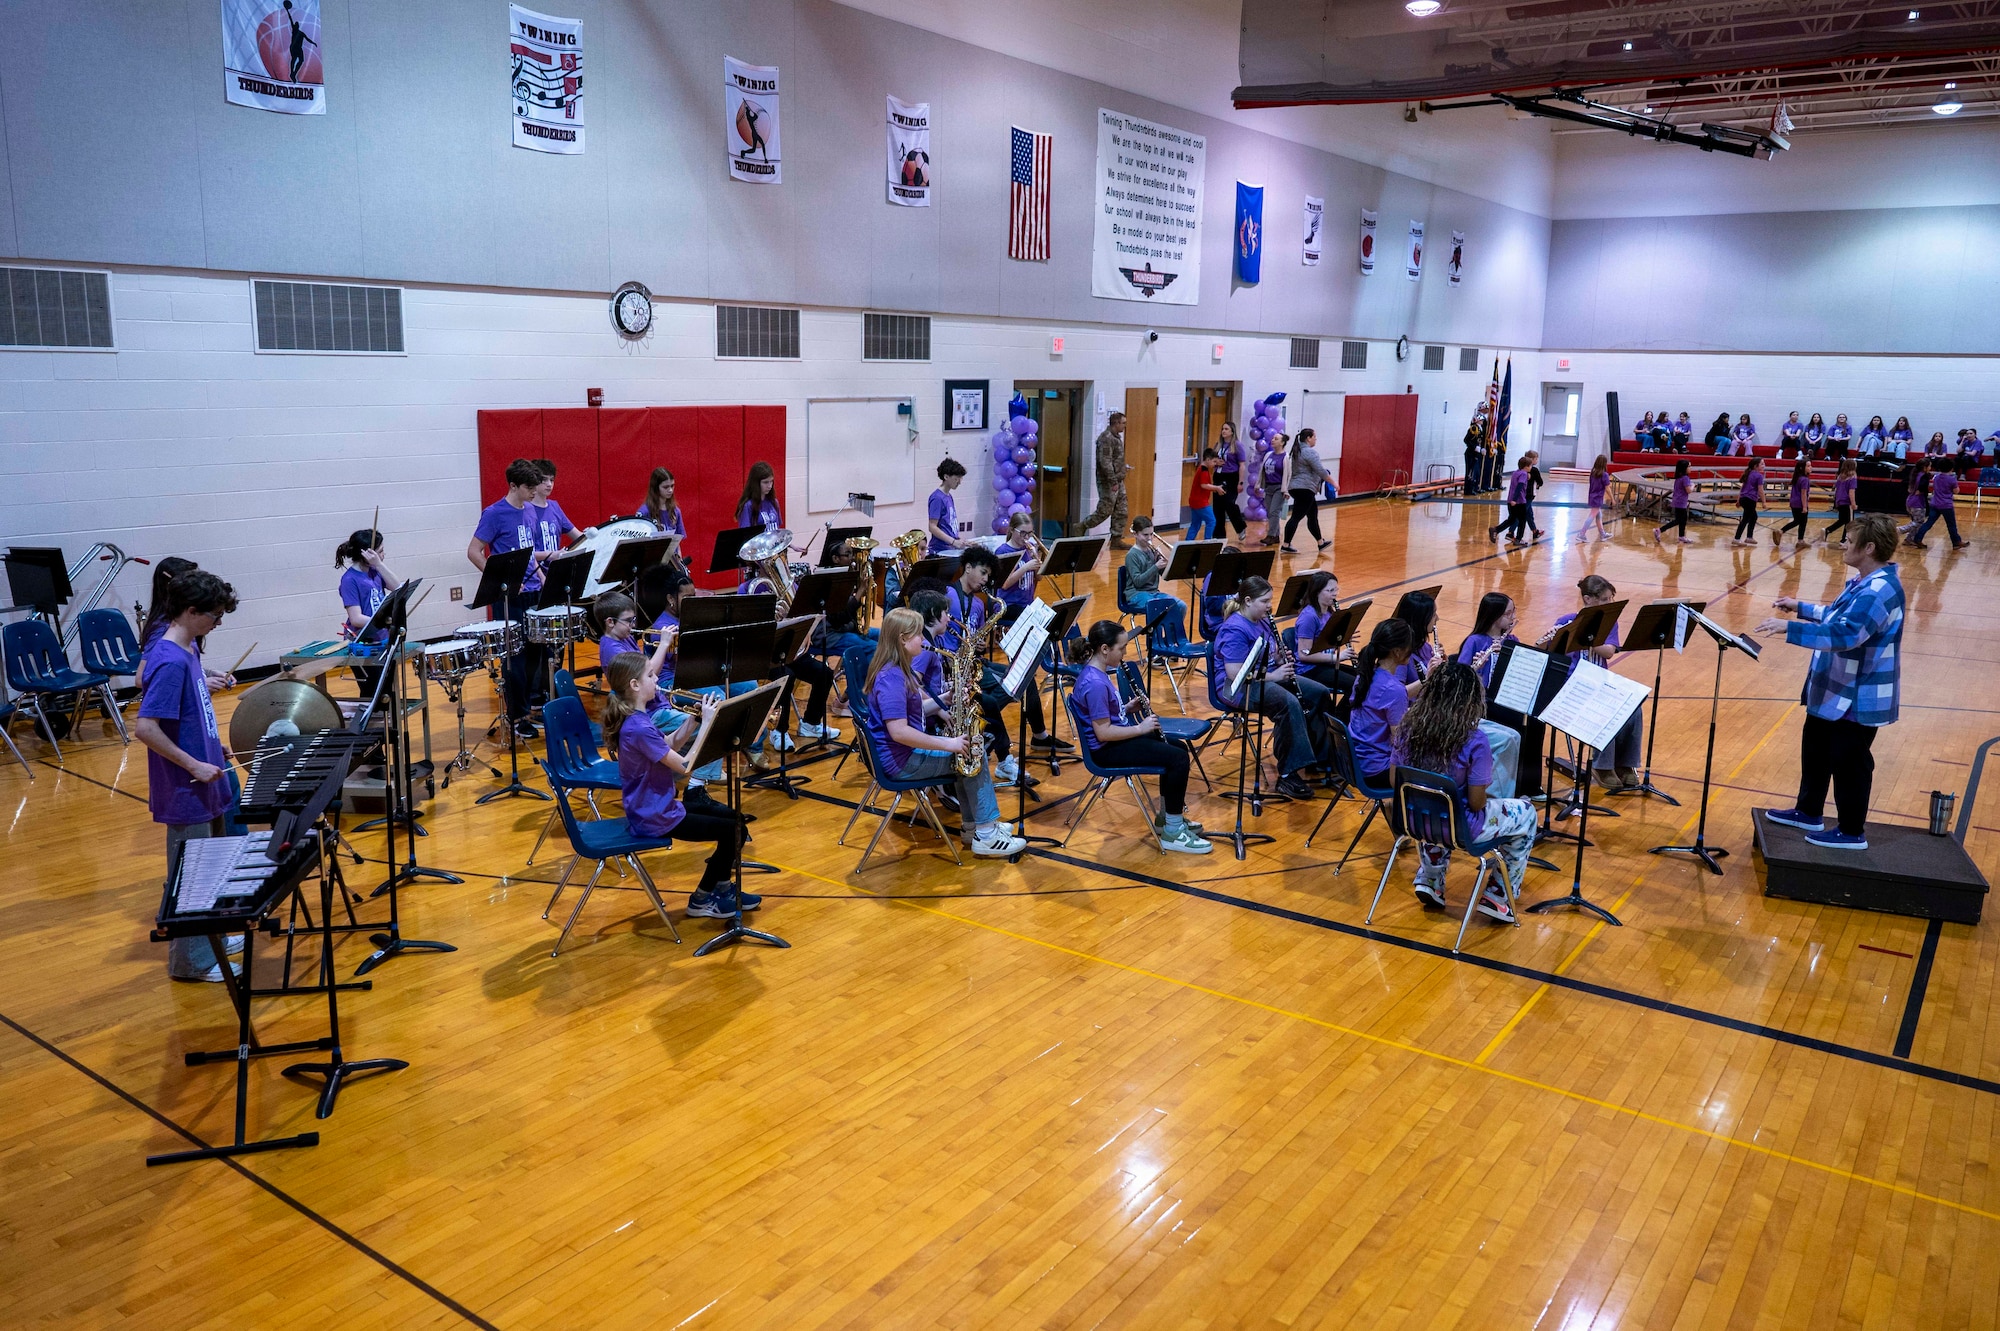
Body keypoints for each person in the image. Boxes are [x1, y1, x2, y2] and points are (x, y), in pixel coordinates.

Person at [1756, 514, 1905, 850]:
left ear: (1868, 548)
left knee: (1848, 761)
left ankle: (1852, 831)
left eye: (1849, 542)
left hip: (1856, 693)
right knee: (1817, 749)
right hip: (1834, 690)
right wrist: (1801, 608)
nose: (1843, 546)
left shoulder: (1880, 589)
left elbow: (1847, 633)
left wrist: (1789, 629)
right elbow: (1839, 616)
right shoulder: (1865, 581)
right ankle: (1808, 811)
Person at [134, 570, 241, 983]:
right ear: (190, 611)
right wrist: (194, 764)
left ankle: (210, 938)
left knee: (209, 868)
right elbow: (146, 728)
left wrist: (215, 748)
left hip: (206, 778)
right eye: (213, 616)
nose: (217, 623)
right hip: (186, 788)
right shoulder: (170, 660)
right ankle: (190, 961)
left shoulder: (190, 649)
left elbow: (195, 714)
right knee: (190, 876)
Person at [601, 643, 754, 919]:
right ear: (635, 685)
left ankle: (722, 889)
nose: (657, 679)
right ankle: (702, 898)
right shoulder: (638, 728)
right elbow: (684, 766)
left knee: (735, 823)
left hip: (660, 806)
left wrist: (694, 721)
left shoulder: (639, 719)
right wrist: (709, 724)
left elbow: (669, 744)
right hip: (655, 815)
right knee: (734, 831)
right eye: (651, 675)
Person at [862, 608, 1029, 857]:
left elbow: (915, 712)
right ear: (903, 639)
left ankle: (974, 828)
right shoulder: (892, 679)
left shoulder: (897, 669)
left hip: (901, 756)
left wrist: (946, 698)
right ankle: (987, 834)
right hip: (901, 762)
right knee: (972, 754)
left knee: (967, 755)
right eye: (918, 634)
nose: (923, 639)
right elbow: (899, 732)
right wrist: (947, 744)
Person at [1392, 661, 1534, 924]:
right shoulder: (1475, 739)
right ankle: (1498, 895)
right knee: (1526, 813)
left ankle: (1431, 878)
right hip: (1460, 828)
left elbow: (1396, 781)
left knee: (1433, 803)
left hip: (1414, 822)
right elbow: (1478, 804)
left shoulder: (1407, 727)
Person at [1071, 620, 1211, 853]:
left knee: (1178, 748)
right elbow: (1103, 732)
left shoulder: (1097, 672)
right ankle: (1173, 832)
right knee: (1177, 759)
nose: (1125, 653)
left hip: (1114, 742)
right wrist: (1141, 728)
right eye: (1122, 648)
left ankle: (1167, 818)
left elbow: (1106, 715)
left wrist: (1126, 708)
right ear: (1105, 649)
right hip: (1106, 751)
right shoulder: (1094, 683)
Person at [1213, 575, 1328, 800]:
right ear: (1248, 601)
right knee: (1288, 702)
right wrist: (1274, 676)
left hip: (1262, 676)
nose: (1269, 606)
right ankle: (1288, 773)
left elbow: (1266, 654)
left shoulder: (1263, 620)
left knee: (1317, 692)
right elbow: (1234, 673)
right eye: (1265, 601)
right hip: (1235, 687)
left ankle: (1318, 758)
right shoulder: (1234, 628)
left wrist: (1277, 658)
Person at [469, 458, 554, 737]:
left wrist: (542, 579)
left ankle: (529, 709)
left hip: (533, 592)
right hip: (509, 598)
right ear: (513, 485)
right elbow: (474, 551)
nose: (535, 491)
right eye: (528, 487)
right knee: (514, 660)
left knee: (535, 656)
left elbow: (529, 551)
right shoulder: (494, 513)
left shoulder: (529, 510)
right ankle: (516, 717)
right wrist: (499, 581)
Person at [1548, 574, 1642, 791]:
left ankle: (1625, 764)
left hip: (1599, 680)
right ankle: (1602, 766)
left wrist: (1584, 636)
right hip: (1571, 685)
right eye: (1604, 600)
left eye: (1610, 599)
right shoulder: (1566, 621)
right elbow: (1553, 653)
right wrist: (1567, 633)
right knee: (1605, 706)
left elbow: (1609, 652)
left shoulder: (1610, 623)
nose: (1609, 604)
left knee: (1633, 705)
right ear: (1588, 599)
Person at [1347, 619, 1417, 787]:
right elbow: (1399, 742)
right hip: (1378, 770)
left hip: (1354, 762)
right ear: (1397, 652)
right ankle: (1397, 809)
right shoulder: (1394, 690)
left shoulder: (1365, 676)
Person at [335, 527, 401, 697]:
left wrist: (379, 564)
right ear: (366, 554)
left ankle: (388, 724)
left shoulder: (374, 571)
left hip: (382, 639)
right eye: (380, 552)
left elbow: (397, 588)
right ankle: (372, 723)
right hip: (363, 644)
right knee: (373, 694)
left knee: (388, 692)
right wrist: (386, 621)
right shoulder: (350, 580)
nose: (383, 555)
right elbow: (356, 618)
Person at [1121, 517, 1188, 639]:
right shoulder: (1132, 555)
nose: (1150, 538)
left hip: (1153, 593)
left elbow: (1165, 577)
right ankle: (1154, 646)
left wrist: (1162, 564)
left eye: (1152, 534)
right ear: (1135, 534)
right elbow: (1138, 582)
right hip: (1136, 594)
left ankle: (1171, 641)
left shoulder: (1151, 551)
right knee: (1157, 607)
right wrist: (1155, 567)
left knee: (1181, 605)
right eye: (1145, 535)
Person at [1078, 410, 1131, 549]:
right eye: (1123, 423)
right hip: (1109, 482)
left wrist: (1122, 468)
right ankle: (1083, 525)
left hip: (1118, 480)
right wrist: (1113, 481)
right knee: (1105, 510)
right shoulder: (1106, 438)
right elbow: (1105, 462)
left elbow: (1114, 460)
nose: (1125, 426)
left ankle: (1116, 539)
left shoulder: (1116, 437)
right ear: (1116, 423)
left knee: (1122, 510)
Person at [1291, 570, 1350, 693]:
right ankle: (1339, 713)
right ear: (1317, 592)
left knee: (1363, 678)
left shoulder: (1329, 611)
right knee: (1355, 684)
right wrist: (1335, 658)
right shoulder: (1309, 617)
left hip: (1324, 663)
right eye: (1330, 591)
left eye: (1336, 590)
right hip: (1309, 670)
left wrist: (1344, 636)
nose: (1335, 594)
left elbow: (1326, 642)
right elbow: (1304, 655)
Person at [1280, 429, 1334, 553]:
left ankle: (1320, 542)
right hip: (1305, 489)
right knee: (1296, 517)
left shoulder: (1296, 451)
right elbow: (1320, 470)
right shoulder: (1310, 452)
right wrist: (1334, 483)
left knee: (1312, 516)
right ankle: (1286, 545)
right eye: (1314, 436)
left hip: (1297, 488)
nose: (1316, 439)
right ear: (1308, 438)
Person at [1909, 456, 1970, 550]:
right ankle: (1956, 542)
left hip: (1935, 504)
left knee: (1928, 523)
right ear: (1951, 468)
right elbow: (1956, 491)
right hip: (1946, 505)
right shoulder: (1952, 479)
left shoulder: (1936, 477)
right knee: (1951, 525)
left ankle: (1918, 538)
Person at [1211, 421, 1249, 543]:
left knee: (1229, 503)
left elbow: (1242, 465)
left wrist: (1241, 482)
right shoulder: (1218, 445)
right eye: (1223, 429)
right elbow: (1211, 460)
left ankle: (1240, 527)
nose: (1224, 431)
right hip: (1218, 476)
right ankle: (1219, 537)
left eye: (1226, 429)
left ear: (1232, 431)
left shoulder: (1237, 445)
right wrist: (1216, 462)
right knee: (1218, 507)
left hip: (1231, 477)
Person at [926, 458, 968, 555]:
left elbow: (949, 525)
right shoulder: (937, 498)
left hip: (949, 548)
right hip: (940, 550)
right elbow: (932, 527)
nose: (959, 482)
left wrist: (959, 540)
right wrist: (953, 542)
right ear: (946, 477)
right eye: (956, 478)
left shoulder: (948, 496)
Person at [635, 466, 687, 540]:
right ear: (656, 488)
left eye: (672, 486)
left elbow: (677, 543)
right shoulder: (644, 512)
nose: (670, 490)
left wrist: (678, 552)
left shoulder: (675, 511)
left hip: (671, 551)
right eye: (666, 487)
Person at [1771, 459, 1812, 550]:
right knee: (1802, 522)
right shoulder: (1804, 479)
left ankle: (1785, 533)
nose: (1810, 468)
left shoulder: (1797, 478)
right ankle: (1786, 534)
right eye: (1808, 466)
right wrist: (1805, 506)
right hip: (1800, 503)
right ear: (1802, 468)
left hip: (1793, 502)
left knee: (1797, 521)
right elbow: (1803, 493)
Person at [1653, 458, 1694, 546]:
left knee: (1682, 520)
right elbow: (1689, 490)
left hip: (1677, 501)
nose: (1691, 468)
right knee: (1679, 520)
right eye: (1689, 466)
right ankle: (1659, 530)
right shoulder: (1685, 478)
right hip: (1681, 502)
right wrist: (1693, 486)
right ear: (1684, 468)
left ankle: (1681, 536)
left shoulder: (1678, 478)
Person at [1258, 434, 1290, 542]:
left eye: (1276, 439)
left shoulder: (1286, 457)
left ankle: (1271, 535)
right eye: (1272, 438)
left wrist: (1286, 491)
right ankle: (1276, 535)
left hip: (1279, 488)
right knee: (1269, 512)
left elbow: (1289, 475)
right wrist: (1258, 485)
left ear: (1282, 443)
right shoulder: (1268, 455)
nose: (1272, 440)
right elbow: (1261, 471)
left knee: (1274, 512)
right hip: (1268, 487)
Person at [1185, 447, 1219, 541]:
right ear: (1208, 460)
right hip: (1201, 502)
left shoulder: (1201, 468)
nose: (1215, 464)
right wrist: (1216, 488)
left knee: (1195, 524)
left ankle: (1187, 543)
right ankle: (1207, 541)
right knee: (1211, 521)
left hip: (1194, 501)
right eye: (1214, 461)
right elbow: (1204, 485)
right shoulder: (1204, 470)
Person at [737, 461, 782, 532]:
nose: (770, 486)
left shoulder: (774, 502)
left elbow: (778, 530)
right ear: (756, 483)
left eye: (771, 481)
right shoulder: (748, 506)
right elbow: (745, 535)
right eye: (766, 482)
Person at [1576, 455, 1612, 543]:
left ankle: (1603, 534)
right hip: (1598, 498)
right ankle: (1582, 534)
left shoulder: (1593, 473)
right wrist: (1613, 499)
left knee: (1599, 516)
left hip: (1592, 496)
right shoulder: (1604, 475)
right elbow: (1607, 488)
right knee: (1592, 516)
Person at [1822, 459, 1857, 546]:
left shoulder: (1840, 477)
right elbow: (1851, 492)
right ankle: (1844, 540)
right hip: (1847, 502)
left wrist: (1836, 502)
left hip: (1840, 501)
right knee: (1849, 522)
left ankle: (1828, 530)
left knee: (1842, 520)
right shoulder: (1852, 478)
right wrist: (1853, 503)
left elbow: (1837, 490)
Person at [1731, 457, 1765, 546]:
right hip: (1750, 499)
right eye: (1762, 464)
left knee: (1753, 517)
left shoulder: (1748, 473)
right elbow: (1760, 490)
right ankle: (1737, 538)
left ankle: (1749, 537)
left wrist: (1738, 500)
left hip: (1744, 499)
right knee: (1746, 519)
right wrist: (1764, 502)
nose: (1763, 466)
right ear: (1755, 466)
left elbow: (1742, 488)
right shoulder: (1759, 476)